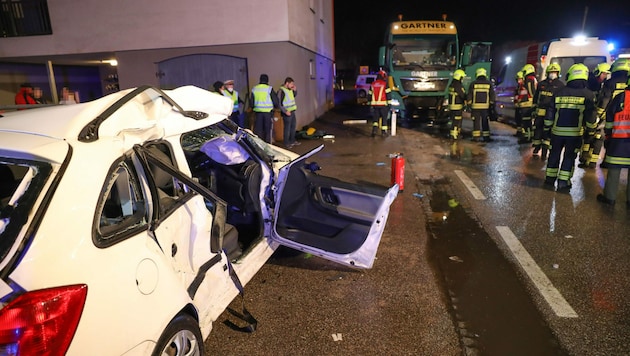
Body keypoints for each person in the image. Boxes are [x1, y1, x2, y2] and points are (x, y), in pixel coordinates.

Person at [543, 63, 597, 191]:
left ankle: (549, 179)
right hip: (574, 134)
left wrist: (547, 128)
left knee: (554, 154)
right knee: (569, 157)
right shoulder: (588, 95)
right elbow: (591, 116)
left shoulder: (559, 92)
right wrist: (591, 130)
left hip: (556, 132)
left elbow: (550, 112)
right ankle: (563, 182)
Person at [582, 58, 630, 169]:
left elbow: (605, 100)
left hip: (610, 114)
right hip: (625, 117)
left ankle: (594, 161)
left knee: (600, 136)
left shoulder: (610, 83)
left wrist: (598, 115)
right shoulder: (627, 82)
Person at [596, 75, 630, 207]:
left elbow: (609, 118)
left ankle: (610, 198)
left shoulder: (621, 97)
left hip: (618, 141)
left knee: (614, 170)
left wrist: (608, 135)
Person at [581, 62, 612, 167]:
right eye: (603, 74)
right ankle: (585, 157)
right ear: (598, 72)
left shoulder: (604, 85)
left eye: (606, 74)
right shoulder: (592, 83)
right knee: (589, 135)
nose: (605, 76)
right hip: (592, 112)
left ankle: (592, 161)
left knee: (598, 137)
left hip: (599, 114)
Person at [532, 63, 564, 159]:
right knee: (538, 130)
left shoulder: (560, 86)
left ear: (558, 73)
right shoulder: (542, 84)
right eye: (551, 72)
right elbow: (536, 97)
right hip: (540, 112)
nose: (553, 74)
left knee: (548, 133)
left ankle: (545, 151)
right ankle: (537, 147)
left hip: (552, 113)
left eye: (555, 72)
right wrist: (534, 109)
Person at [466, 67, 496, 142]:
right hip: (485, 107)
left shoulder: (473, 84)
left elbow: (469, 95)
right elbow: (492, 95)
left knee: (476, 122)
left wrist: (469, 105)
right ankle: (486, 137)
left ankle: (476, 138)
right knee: (485, 121)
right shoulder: (489, 83)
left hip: (475, 107)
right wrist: (491, 104)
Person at [249, 74, 279, 143]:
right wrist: (276, 107)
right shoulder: (269, 89)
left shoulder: (254, 89)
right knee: (268, 131)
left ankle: (259, 147)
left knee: (259, 131)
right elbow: (275, 101)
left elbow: (251, 103)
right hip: (268, 114)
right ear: (267, 80)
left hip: (258, 113)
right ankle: (268, 146)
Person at [367, 70, 391, 137]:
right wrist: (389, 104)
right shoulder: (385, 84)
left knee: (375, 119)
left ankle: (374, 131)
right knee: (384, 119)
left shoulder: (373, 84)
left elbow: (369, 95)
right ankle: (383, 133)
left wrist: (369, 103)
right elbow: (388, 95)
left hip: (375, 105)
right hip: (383, 105)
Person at [518, 64, 538, 144]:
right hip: (529, 103)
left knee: (526, 122)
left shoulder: (529, 79)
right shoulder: (533, 78)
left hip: (527, 104)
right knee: (528, 121)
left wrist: (533, 100)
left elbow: (531, 91)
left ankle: (527, 138)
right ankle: (528, 137)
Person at [278, 77, 300, 148]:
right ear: (287, 83)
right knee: (287, 128)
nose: (293, 85)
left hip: (292, 111)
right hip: (287, 112)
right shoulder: (281, 91)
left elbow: (293, 96)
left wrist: (295, 90)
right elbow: (279, 103)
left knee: (293, 127)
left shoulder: (289, 90)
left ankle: (292, 141)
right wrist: (285, 111)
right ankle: (286, 143)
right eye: (291, 84)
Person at [448, 69, 467, 140]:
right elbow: (462, 95)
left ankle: (455, 134)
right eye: (462, 77)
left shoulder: (452, 84)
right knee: (456, 121)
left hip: (452, 106)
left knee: (454, 120)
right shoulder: (458, 85)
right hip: (457, 106)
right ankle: (454, 135)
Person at [513, 71, 526, 137]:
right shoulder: (518, 87)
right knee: (517, 119)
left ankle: (522, 134)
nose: (518, 81)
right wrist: (515, 102)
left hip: (522, 106)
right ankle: (518, 132)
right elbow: (516, 96)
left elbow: (523, 96)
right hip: (518, 106)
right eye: (517, 79)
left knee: (521, 120)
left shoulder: (523, 86)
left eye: (520, 79)